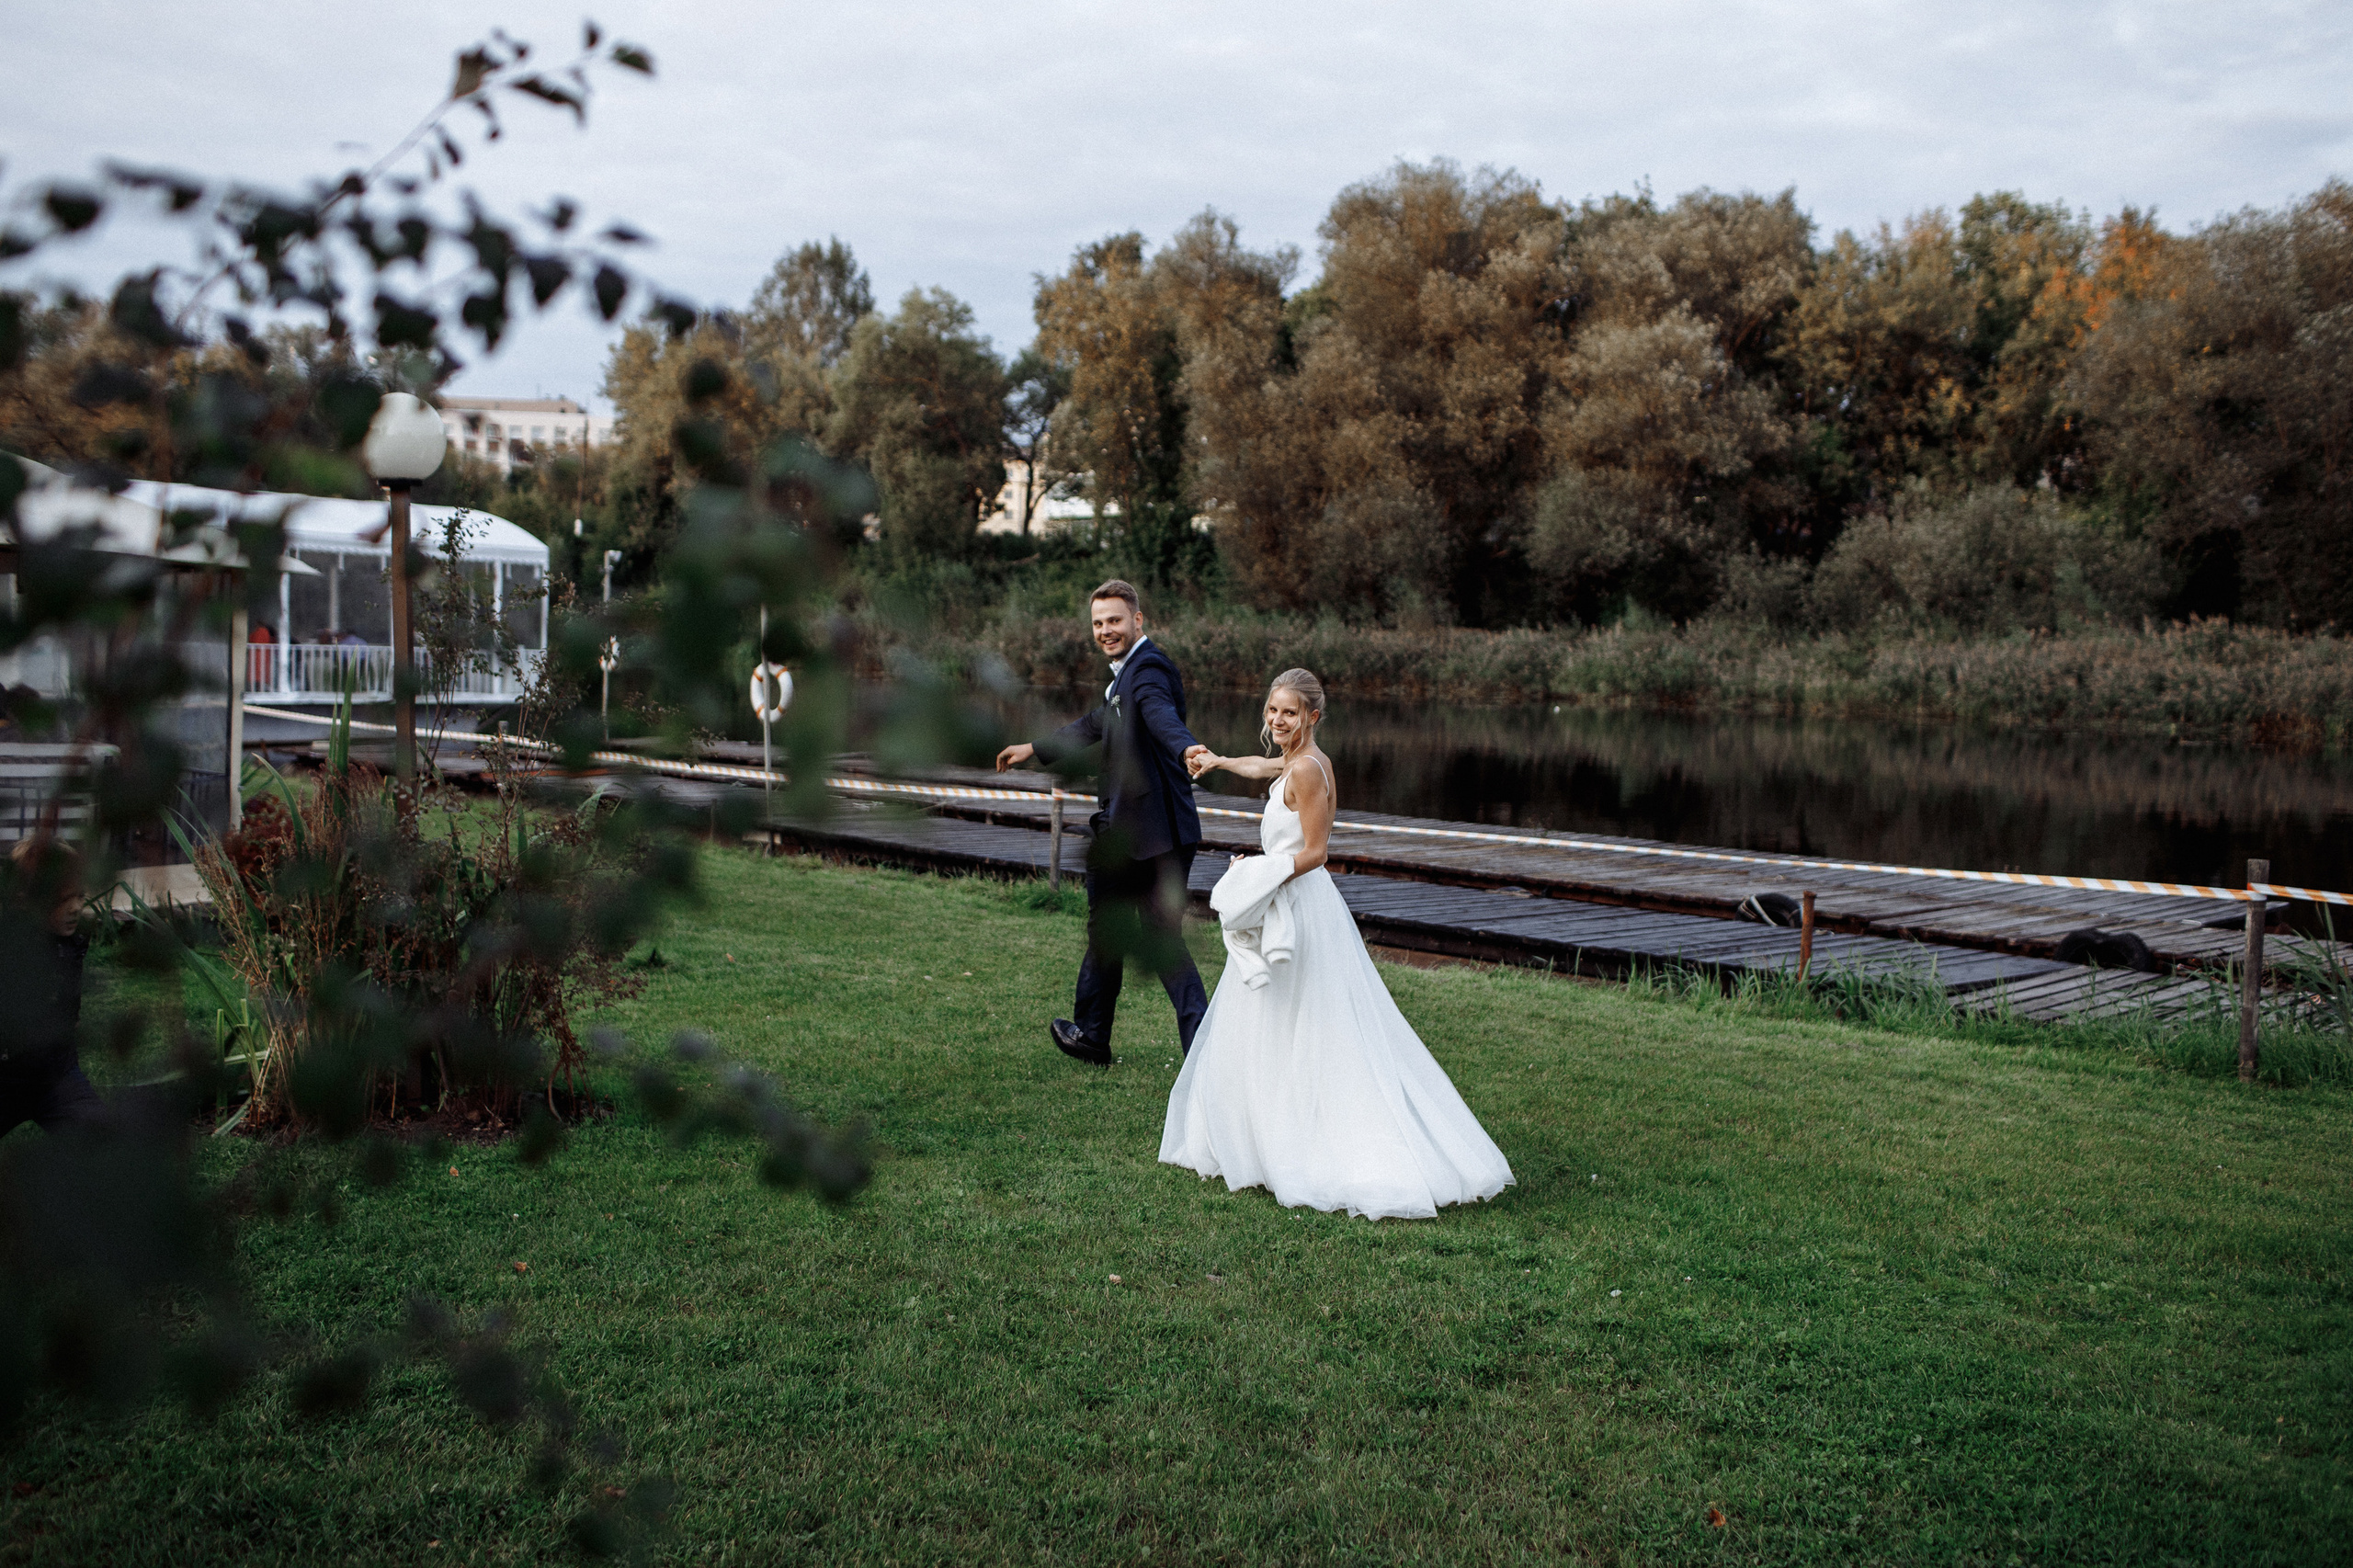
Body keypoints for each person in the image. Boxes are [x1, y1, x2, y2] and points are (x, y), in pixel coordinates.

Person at [1161, 669, 1514, 1220]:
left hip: (1297, 903)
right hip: (1292, 899)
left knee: (1309, 1020)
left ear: (1313, 717)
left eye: (1290, 713)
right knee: (1275, 1018)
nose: (1278, 720)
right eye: (1272, 710)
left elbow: (1318, 852)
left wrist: (1256, 871)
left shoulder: (1306, 769)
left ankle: (1314, 1144)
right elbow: (1266, 767)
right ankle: (1264, 1135)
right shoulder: (1302, 760)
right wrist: (1220, 763)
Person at [996, 580, 1211, 1065]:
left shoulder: (1148, 670)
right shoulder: (1126, 675)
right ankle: (1094, 1035)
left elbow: (1160, 716)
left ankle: (1196, 1048)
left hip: (1149, 833)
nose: (1105, 631)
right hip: (1139, 828)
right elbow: (1096, 722)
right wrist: (1036, 748)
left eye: (1114, 620)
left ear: (1139, 621)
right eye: (1097, 623)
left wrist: (1186, 746)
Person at [1, 837, 108, 1138]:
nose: (76, 908)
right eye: (63, 899)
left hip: (55, 1076)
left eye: (80, 896)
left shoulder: (72, 943)